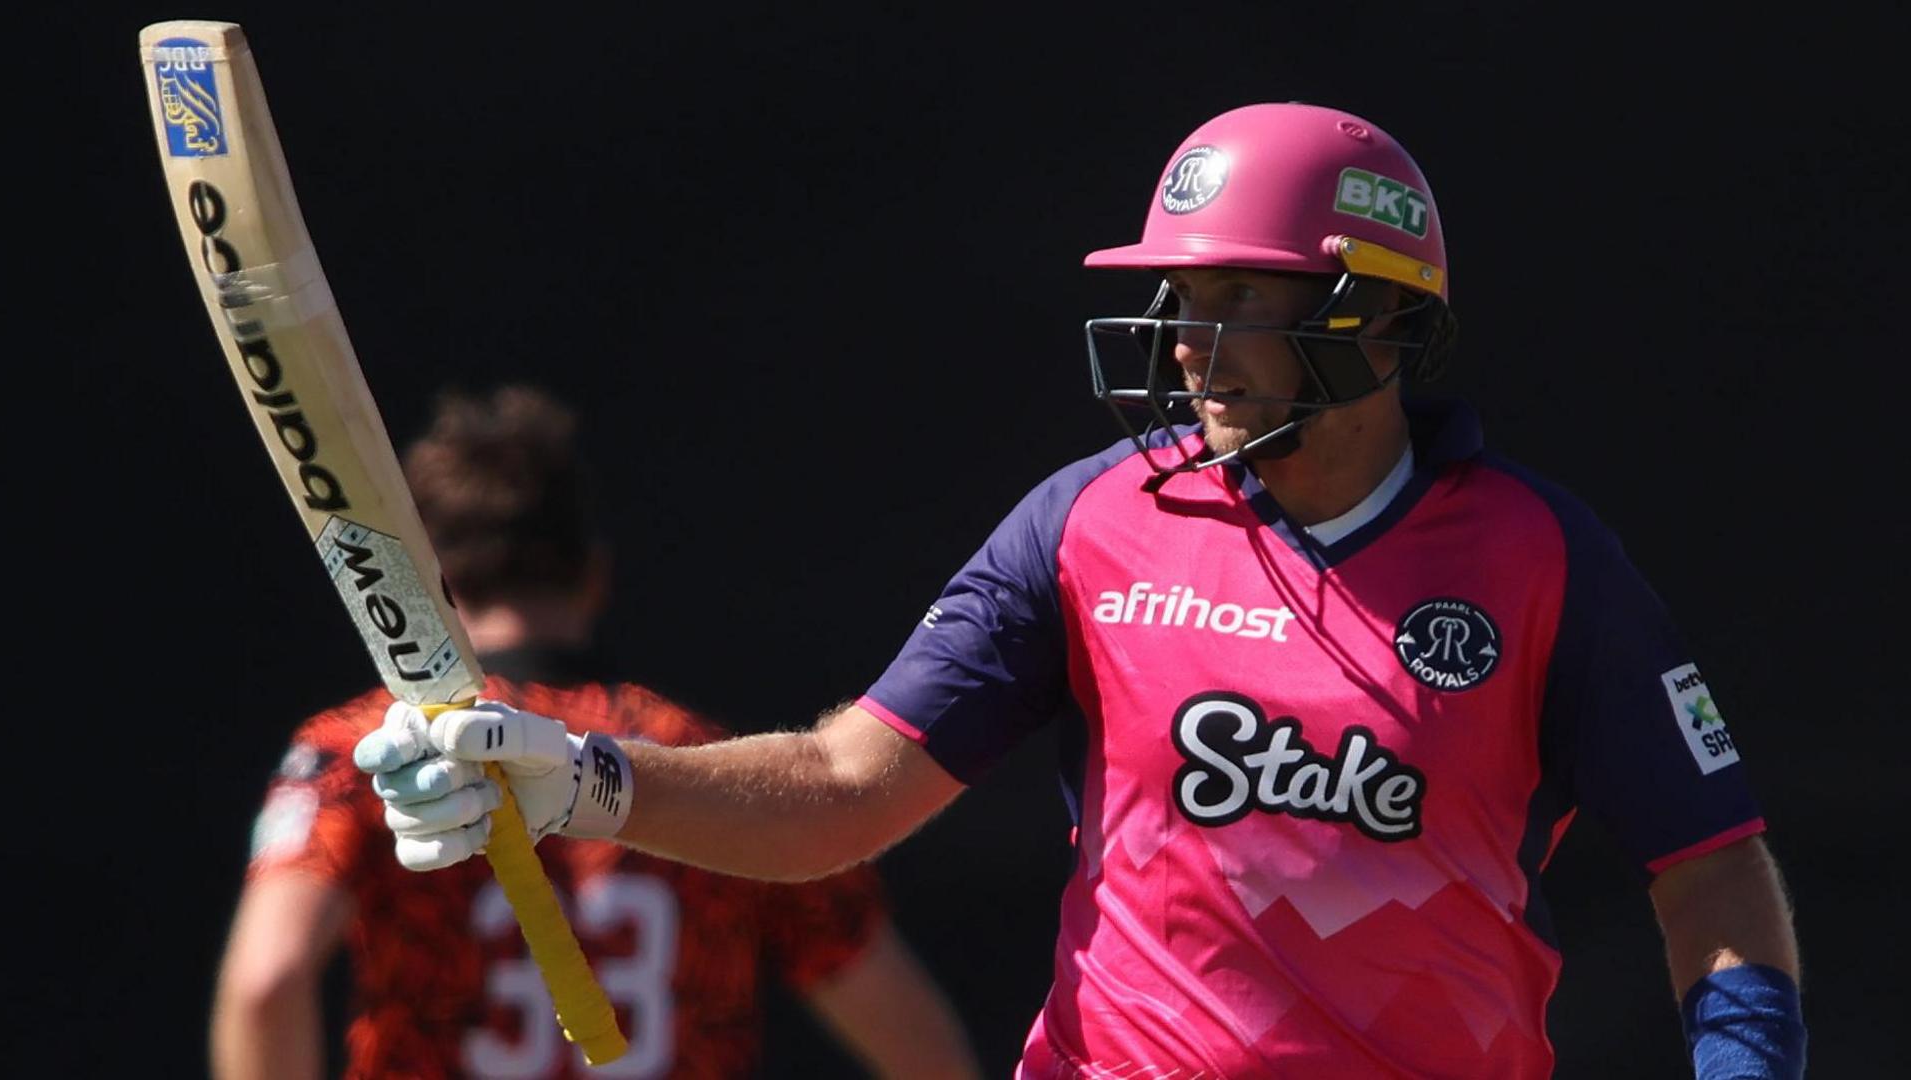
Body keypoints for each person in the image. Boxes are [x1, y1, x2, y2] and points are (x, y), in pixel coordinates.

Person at [357, 105, 1806, 1078]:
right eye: (1182, 301)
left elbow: (1712, 860)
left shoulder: (1540, 559)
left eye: (1239, 298)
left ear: (1370, 318)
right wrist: (585, 783)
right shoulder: (1091, 523)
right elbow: (845, 785)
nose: (1189, 342)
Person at [211, 386, 982, 1079]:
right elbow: (921, 1046)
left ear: (429, 580)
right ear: (594, 574)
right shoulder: (706, 767)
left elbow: (266, 979)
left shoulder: (362, 748)